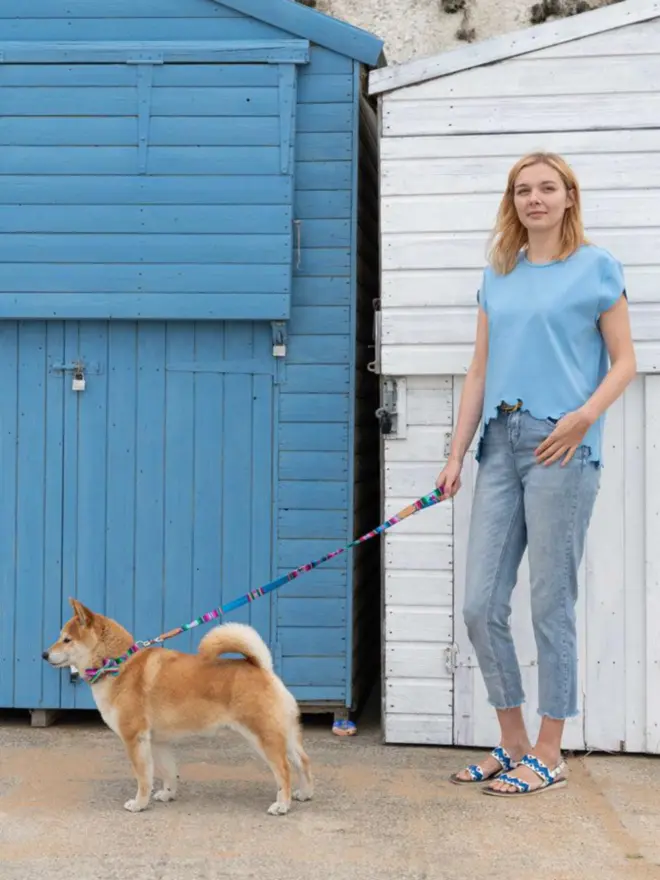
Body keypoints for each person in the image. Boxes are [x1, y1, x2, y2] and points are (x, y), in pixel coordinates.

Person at [436, 152, 637, 797]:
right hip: (500, 442)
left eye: (547, 188)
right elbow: (478, 370)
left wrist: (583, 418)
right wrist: (455, 453)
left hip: (562, 447)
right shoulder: (499, 275)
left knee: (552, 601)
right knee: (479, 605)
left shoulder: (597, 268)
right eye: (523, 190)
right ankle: (513, 741)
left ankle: (549, 750)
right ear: (513, 202)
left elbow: (626, 361)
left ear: (569, 197)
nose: (534, 199)